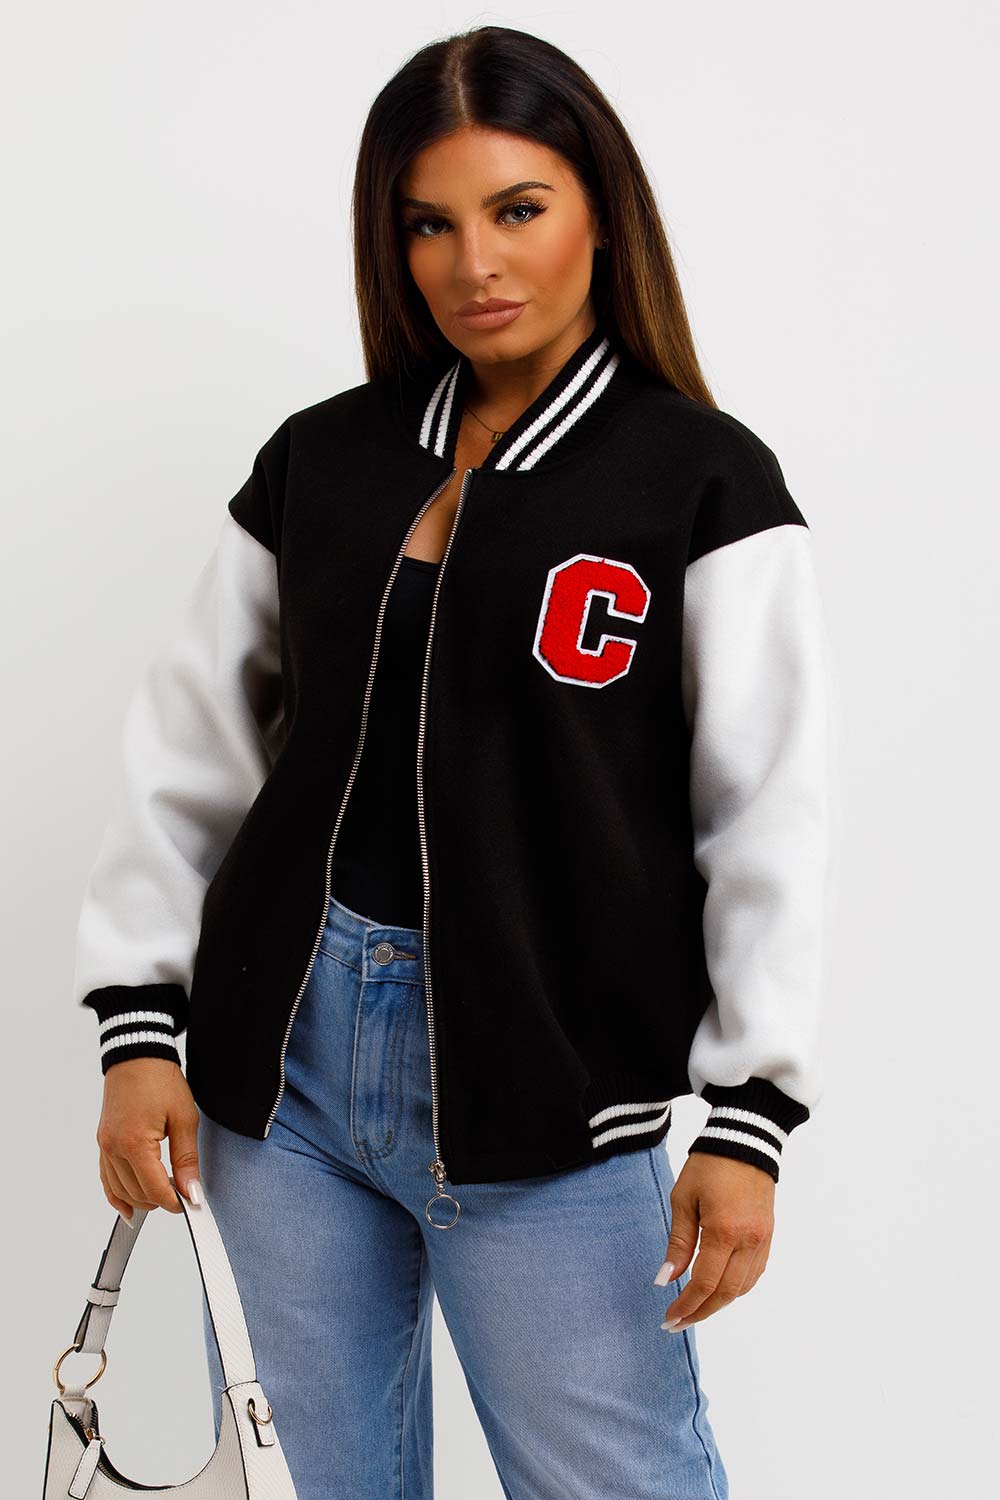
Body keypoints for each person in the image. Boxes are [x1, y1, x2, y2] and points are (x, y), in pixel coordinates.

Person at [71, 24, 836, 1500]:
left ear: (600, 210)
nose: (474, 262)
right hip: (281, 1078)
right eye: (429, 223)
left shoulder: (704, 481)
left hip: (550, 1092)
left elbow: (767, 815)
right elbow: (191, 754)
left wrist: (752, 1118)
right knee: (311, 1485)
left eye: (517, 209)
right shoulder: (322, 461)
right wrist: (140, 1029)